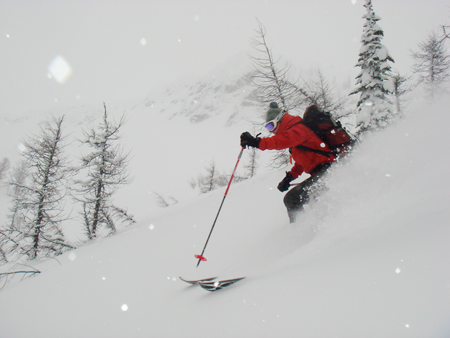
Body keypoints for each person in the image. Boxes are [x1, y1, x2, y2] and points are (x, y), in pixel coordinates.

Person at [240, 102, 336, 223]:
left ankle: (300, 229)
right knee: (304, 199)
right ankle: (317, 223)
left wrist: (257, 142)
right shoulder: (295, 136)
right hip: (322, 172)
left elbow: (280, 141)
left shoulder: (298, 129)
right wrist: (289, 177)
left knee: (292, 199)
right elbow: (303, 161)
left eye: (271, 126)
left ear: (279, 119)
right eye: (268, 128)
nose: (271, 131)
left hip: (330, 170)